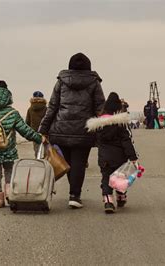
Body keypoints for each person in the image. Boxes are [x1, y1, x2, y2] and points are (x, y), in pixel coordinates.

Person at [39, 53, 105, 209]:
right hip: (84, 131)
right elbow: (100, 108)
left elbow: (52, 107)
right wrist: (105, 130)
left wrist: (43, 129)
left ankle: (73, 193)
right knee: (79, 164)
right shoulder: (94, 82)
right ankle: (75, 195)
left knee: (68, 163)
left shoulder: (61, 82)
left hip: (61, 129)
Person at [0, 80, 44, 208]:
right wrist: (39, 138)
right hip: (8, 149)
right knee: (9, 171)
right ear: (7, 94)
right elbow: (25, 130)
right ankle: (9, 195)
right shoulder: (12, 113)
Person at [86, 92, 138, 213]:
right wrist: (133, 157)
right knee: (120, 177)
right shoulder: (120, 124)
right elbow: (127, 141)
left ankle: (108, 201)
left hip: (104, 158)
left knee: (106, 179)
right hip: (120, 157)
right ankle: (121, 196)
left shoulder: (98, 125)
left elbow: (93, 140)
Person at [25, 91, 47, 156]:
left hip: (34, 132)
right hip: (45, 132)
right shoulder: (46, 109)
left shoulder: (30, 109)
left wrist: (29, 133)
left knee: (36, 150)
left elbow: (27, 122)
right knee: (46, 148)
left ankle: (38, 161)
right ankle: (46, 162)